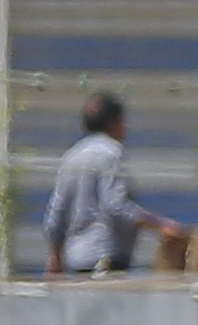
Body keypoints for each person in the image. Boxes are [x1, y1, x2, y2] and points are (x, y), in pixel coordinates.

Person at [39, 95, 137, 279]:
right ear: (115, 123)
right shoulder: (112, 153)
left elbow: (55, 215)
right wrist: (157, 223)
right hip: (107, 259)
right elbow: (115, 206)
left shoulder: (72, 156)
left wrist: (55, 256)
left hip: (77, 262)